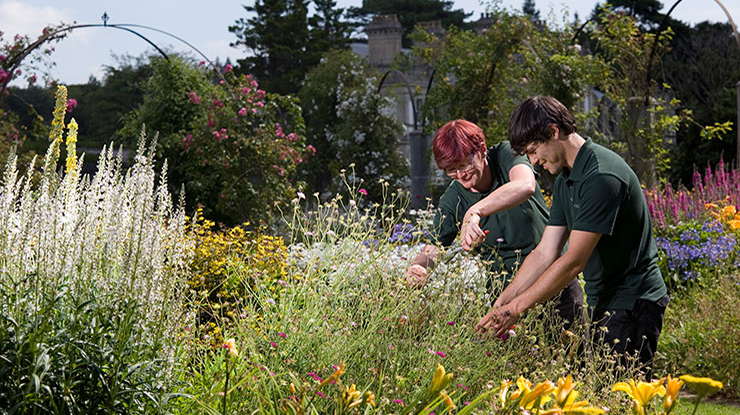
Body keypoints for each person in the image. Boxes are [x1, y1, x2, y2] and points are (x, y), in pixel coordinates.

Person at [476, 96, 669, 374]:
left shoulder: (600, 176)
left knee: (623, 398)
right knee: (603, 397)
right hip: (604, 299)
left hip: (634, 301)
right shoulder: (567, 179)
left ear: (553, 132)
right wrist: (503, 302)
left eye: (534, 150)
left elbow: (573, 262)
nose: (533, 161)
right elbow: (546, 251)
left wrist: (516, 309)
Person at [406, 119, 583, 329]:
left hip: (553, 281)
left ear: (481, 150)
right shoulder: (454, 199)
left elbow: (525, 185)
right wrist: (418, 267)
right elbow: (434, 246)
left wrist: (475, 211)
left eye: (463, 164)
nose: (460, 175)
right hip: (505, 296)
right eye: (451, 170)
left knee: (574, 354)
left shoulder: (505, 155)